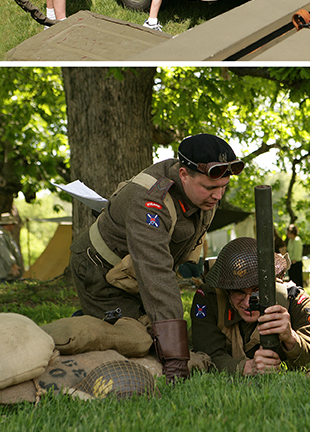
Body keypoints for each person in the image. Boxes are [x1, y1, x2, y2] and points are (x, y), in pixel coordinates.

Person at [69, 134, 243, 382]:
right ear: (183, 175)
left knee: (174, 337)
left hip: (134, 273)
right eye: (210, 188)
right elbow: (156, 274)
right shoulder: (150, 202)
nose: (218, 196)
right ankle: (87, 324)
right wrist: (176, 360)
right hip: (100, 272)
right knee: (140, 343)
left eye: (224, 187)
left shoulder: (202, 195)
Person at [190, 237, 310, 376]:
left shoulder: (294, 300)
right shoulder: (209, 298)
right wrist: (244, 367)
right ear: (227, 290)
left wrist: (291, 339)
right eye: (239, 292)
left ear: (271, 283)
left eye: (257, 291)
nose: (248, 303)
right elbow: (207, 354)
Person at [285, 223, 304, 288]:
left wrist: (293, 260)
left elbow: (297, 252)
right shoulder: (290, 241)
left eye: (288, 233)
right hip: (291, 264)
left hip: (296, 263)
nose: (287, 234)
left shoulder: (297, 240)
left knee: (297, 282)